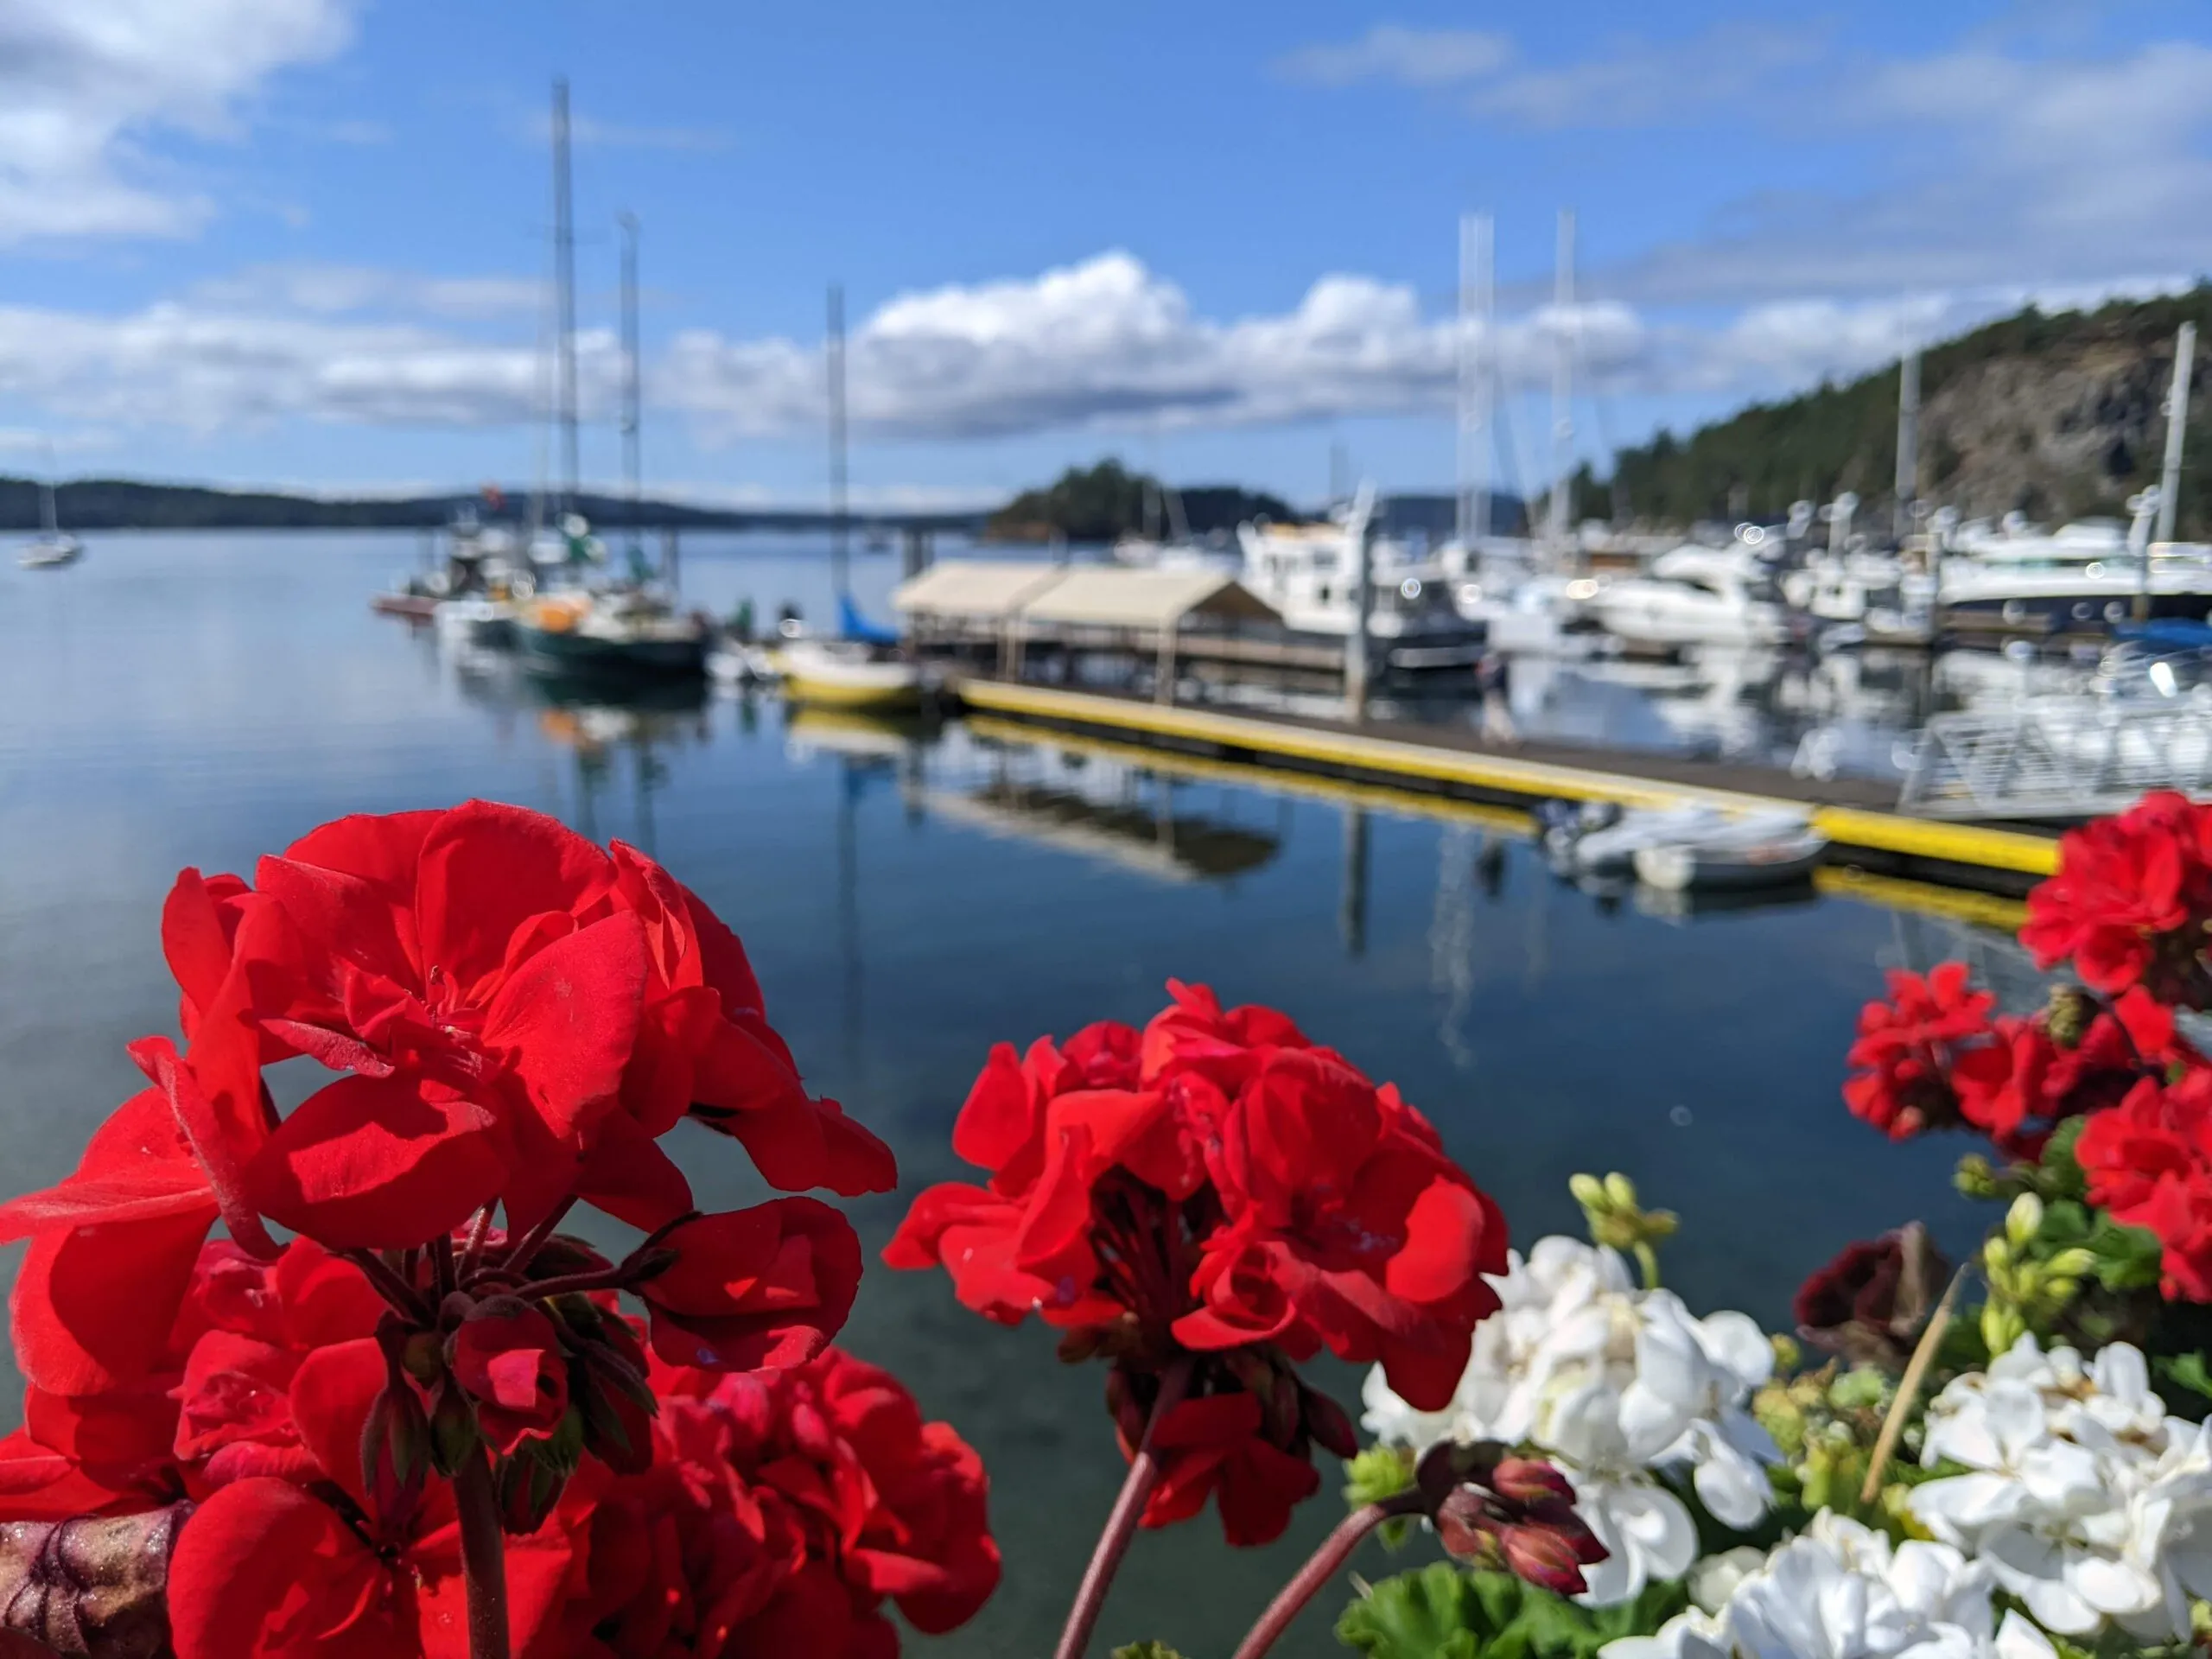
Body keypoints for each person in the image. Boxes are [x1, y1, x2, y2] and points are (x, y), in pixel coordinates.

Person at [1478, 649, 1518, 746]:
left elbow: (1494, 683)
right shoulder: (1499, 669)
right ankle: (1494, 735)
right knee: (1494, 714)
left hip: (1494, 693)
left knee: (1496, 714)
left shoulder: (1497, 670)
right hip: (1494, 693)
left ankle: (1504, 736)